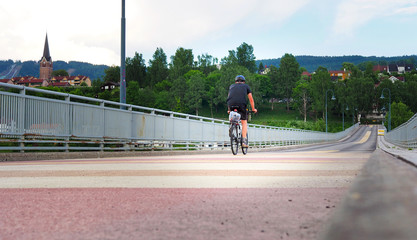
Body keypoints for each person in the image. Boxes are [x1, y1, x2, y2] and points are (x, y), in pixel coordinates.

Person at [227, 75, 257, 147]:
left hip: (231, 104)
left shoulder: (231, 86)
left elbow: (229, 97)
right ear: (244, 82)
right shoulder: (246, 86)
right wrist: (253, 109)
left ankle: (232, 125)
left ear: (235, 82)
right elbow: (251, 99)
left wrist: (229, 110)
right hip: (241, 105)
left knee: (233, 117)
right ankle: (243, 141)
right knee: (244, 122)